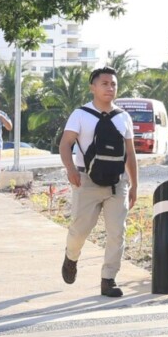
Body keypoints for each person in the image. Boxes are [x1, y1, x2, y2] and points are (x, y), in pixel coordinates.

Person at [58, 66, 138, 298]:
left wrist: (134, 184)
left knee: (117, 233)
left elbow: (130, 153)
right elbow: (65, 144)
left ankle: (108, 279)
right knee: (79, 230)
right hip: (86, 180)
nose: (110, 88)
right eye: (104, 83)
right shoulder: (80, 114)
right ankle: (71, 257)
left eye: (113, 84)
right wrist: (71, 169)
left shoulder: (123, 117)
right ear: (93, 87)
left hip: (117, 183)